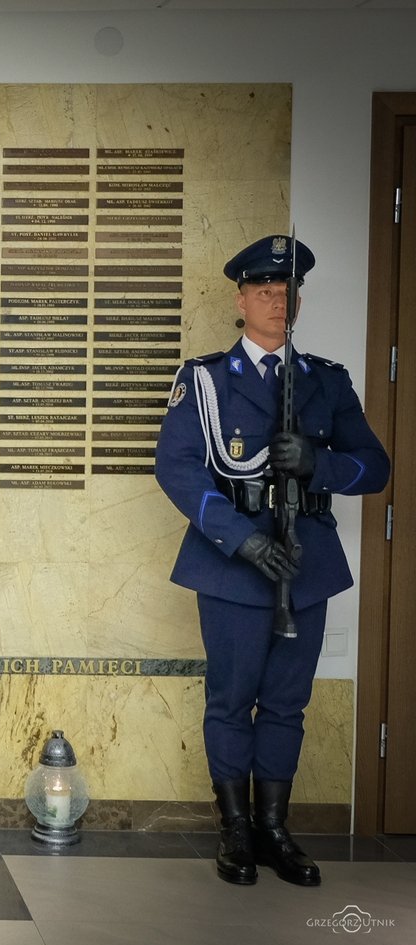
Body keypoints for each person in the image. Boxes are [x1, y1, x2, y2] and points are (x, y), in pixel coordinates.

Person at [155, 235, 390, 887]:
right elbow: (176, 467)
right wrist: (242, 538)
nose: (278, 302)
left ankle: (274, 830)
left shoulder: (326, 381)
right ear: (242, 300)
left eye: (287, 291)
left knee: (287, 703)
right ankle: (235, 830)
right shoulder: (205, 380)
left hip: (304, 566)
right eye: (265, 291)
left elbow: (376, 467)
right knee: (232, 699)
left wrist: (321, 464)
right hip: (231, 565)